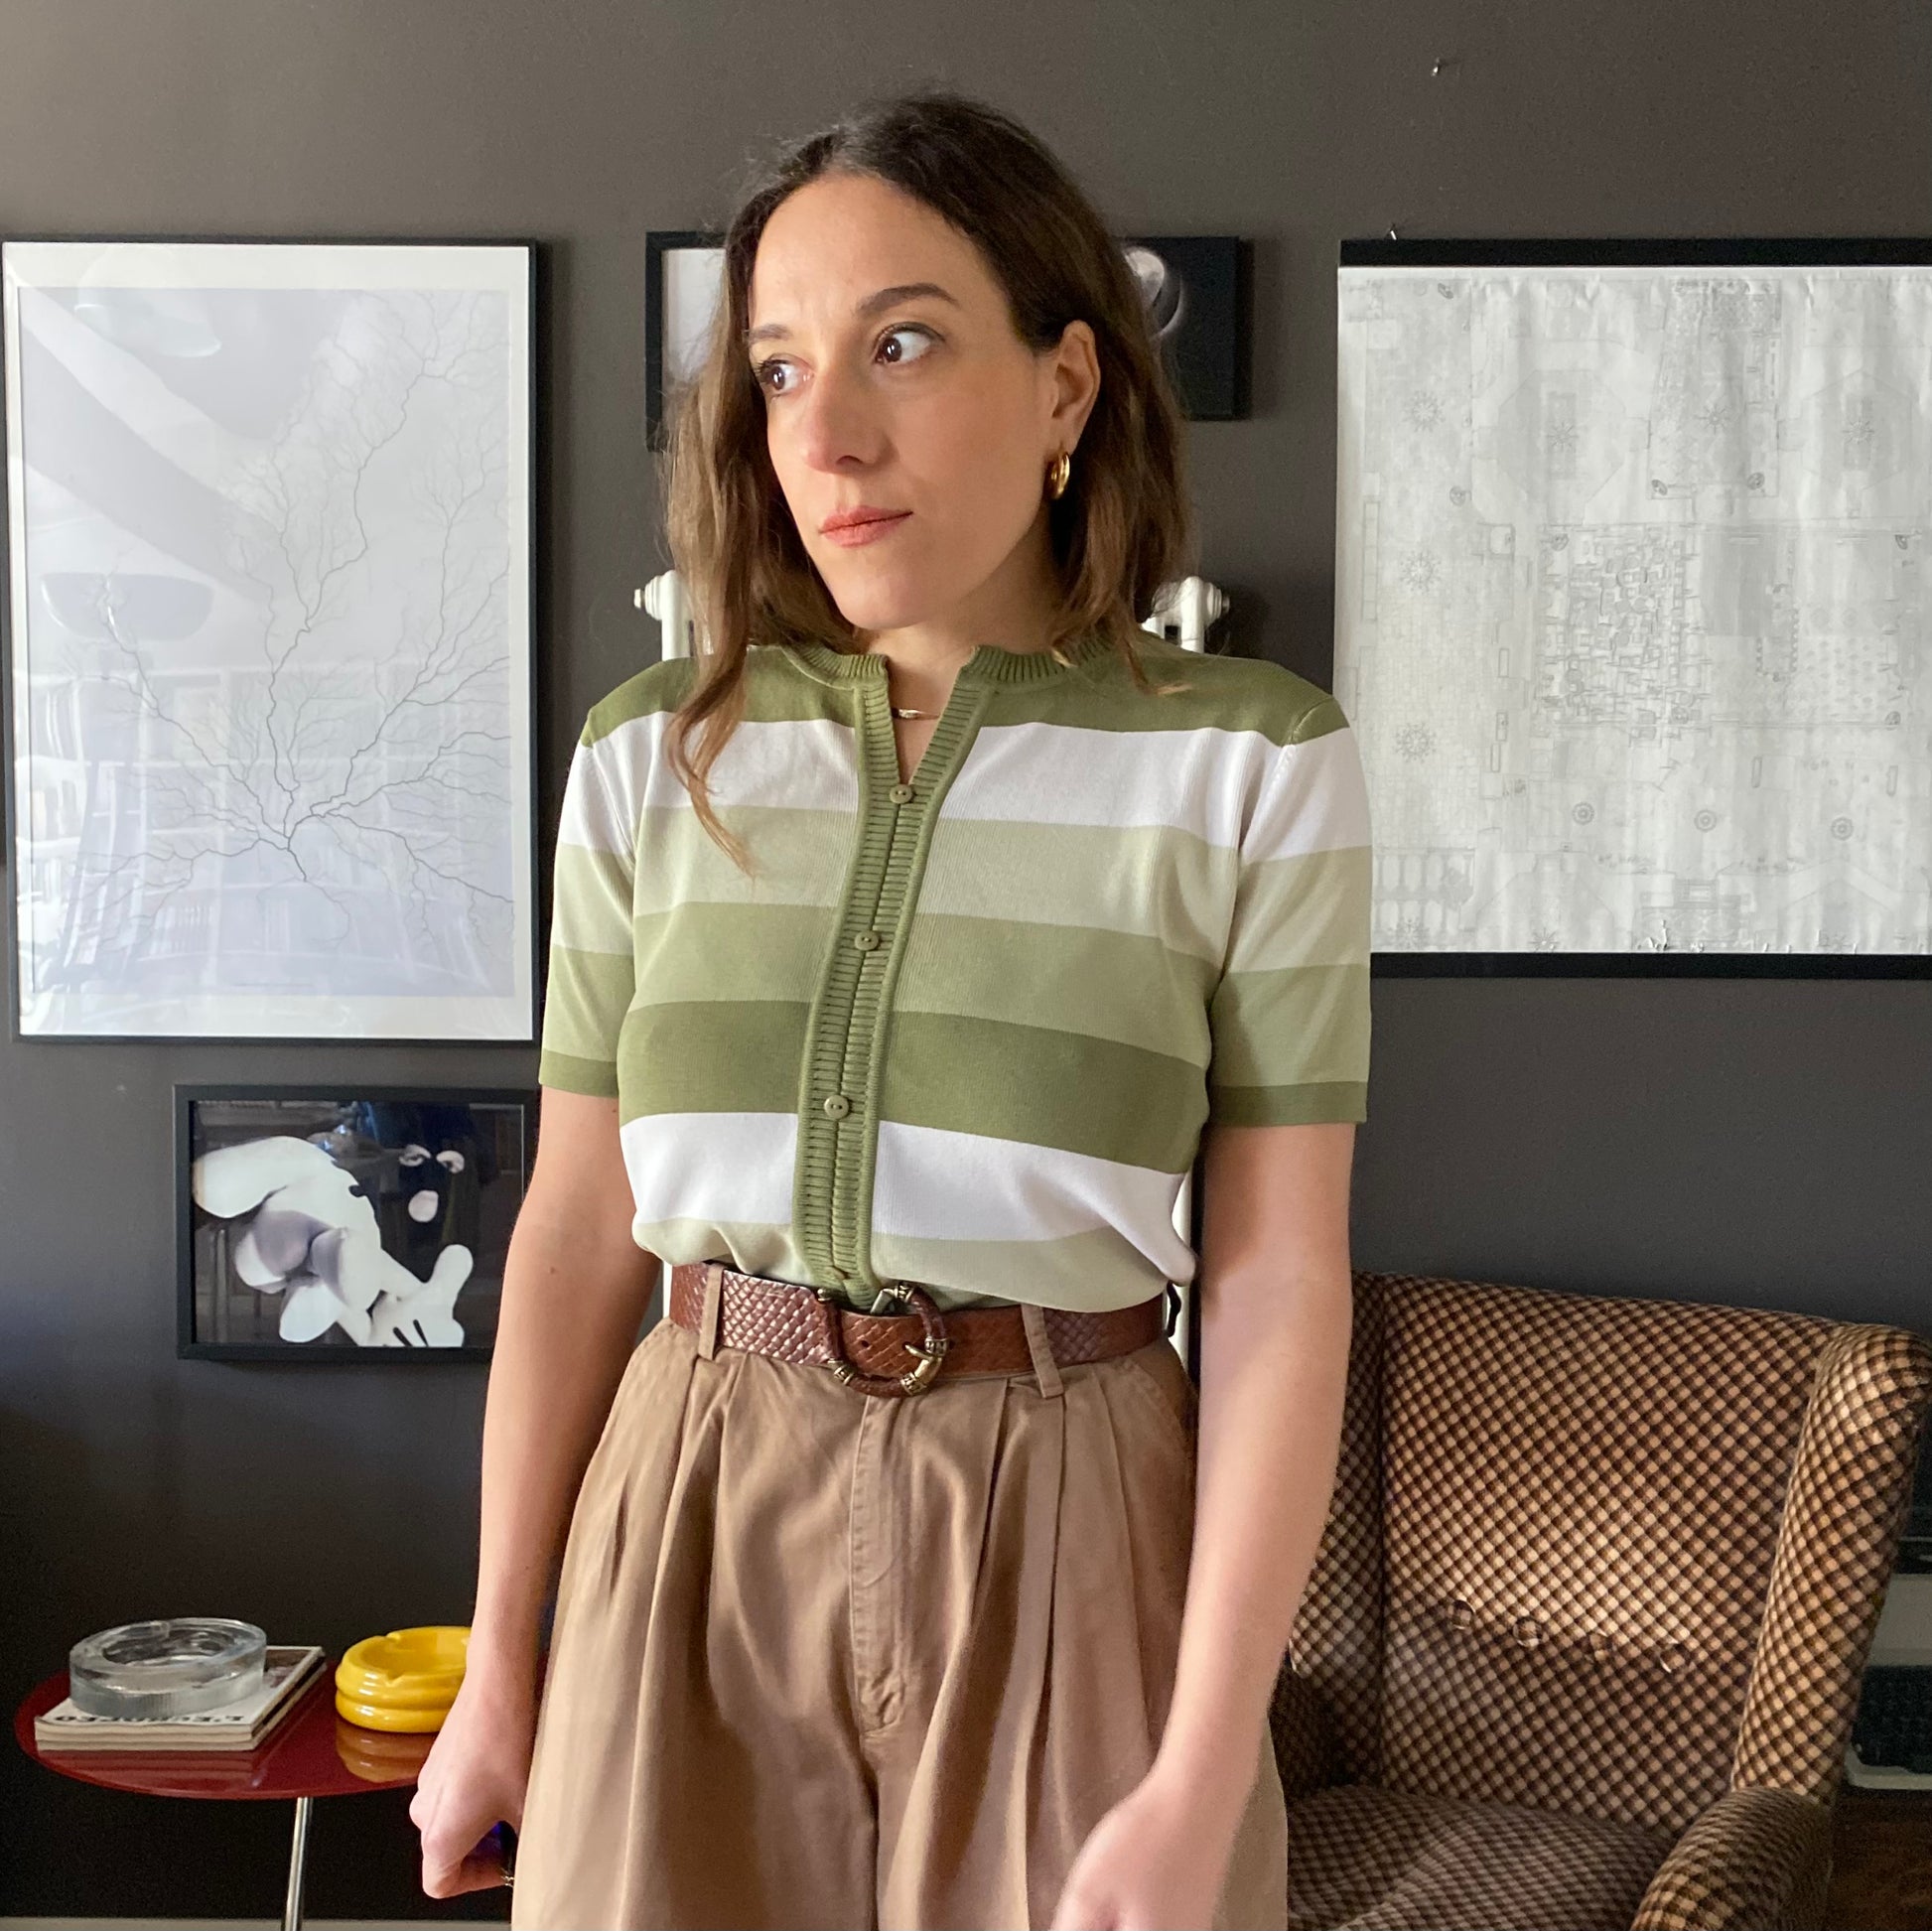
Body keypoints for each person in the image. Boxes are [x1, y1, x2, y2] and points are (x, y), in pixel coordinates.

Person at [409, 87, 1368, 1931]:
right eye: (777, 370)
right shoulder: (647, 757)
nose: (826, 432)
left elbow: (1275, 1279)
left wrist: (1198, 1761)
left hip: (1075, 1511)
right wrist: (499, 1665)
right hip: (689, 1494)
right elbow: (575, 1232)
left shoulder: (1249, 761)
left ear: (1068, 385)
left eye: (901, 345)